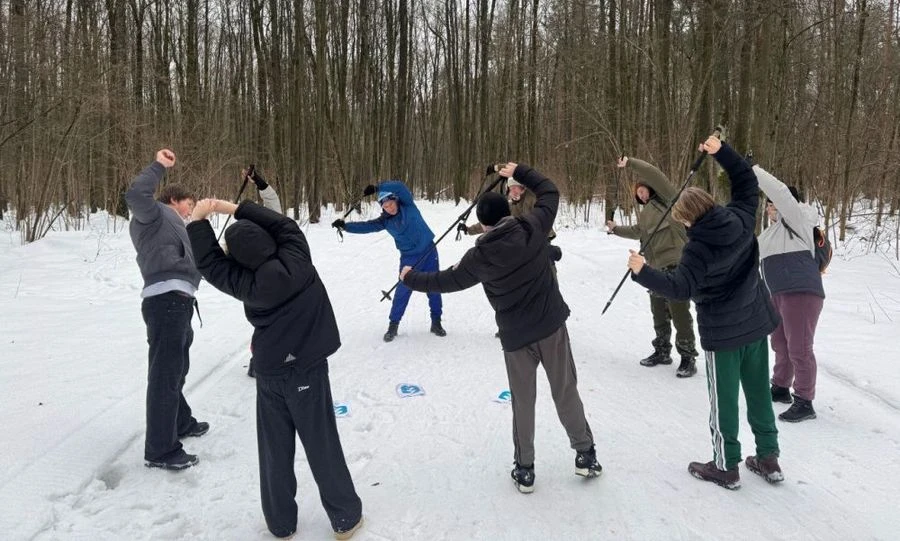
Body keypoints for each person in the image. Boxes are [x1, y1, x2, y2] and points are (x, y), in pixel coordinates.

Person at [400, 162, 602, 494]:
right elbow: (549, 190)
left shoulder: (478, 258)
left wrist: (410, 278)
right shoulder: (532, 226)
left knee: (523, 401)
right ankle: (586, 454)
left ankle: (525, 469)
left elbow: (443, 281)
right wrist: (518, 171)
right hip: (550, 328)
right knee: (565, 390)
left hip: (517, 337)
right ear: (507, 208)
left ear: (483, 222)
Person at [187, 198, 363, 540]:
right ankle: (345, 517)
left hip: (270, 372)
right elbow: (283, 225)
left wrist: (198, 220)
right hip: (308, 370)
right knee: (321, 443)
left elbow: (209, 263)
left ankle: (281, 524)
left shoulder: (247, 283)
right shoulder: (296, 253)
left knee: (274, 450)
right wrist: (231, 207)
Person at [626, 136, 783, 489]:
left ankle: (726, 466)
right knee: (758, 390)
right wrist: (722, 152)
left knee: (724, 401)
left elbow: (680, 288)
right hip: (757, 323)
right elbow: (746, 181)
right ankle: (769, 457)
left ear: (686, 220)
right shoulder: (742, 217)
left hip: (724, 335)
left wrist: (642, 272)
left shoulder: (697, 251)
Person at [125, 149, 207, 471]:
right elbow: (135, 194)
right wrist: (160, 165)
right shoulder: (155, 213)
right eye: (189, 202)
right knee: (165, 374)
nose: (190, 209)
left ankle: (181, 421)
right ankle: (160, 449)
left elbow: (188, 265)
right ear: (176, 199)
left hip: (180, 301)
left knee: (177, 368)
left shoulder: (176, 227)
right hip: (165, 301)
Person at [607, 156, 698, 377]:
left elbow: (653, 173)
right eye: (637, 191)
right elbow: (638, 231)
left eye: (643, 188)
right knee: (658, 312)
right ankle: (662, 351)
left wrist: (630, 163)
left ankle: (688, 357)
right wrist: (615, 228)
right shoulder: (646, 212)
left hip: (676, 266)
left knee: (679, 313)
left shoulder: (669, 201)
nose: (641, 192)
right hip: (654, 269)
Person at [332, 181, 446, 342]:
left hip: (429, 251)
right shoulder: (385, 221)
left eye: (391, 204)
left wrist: (378, 187)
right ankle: (393, 324)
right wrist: (345, 226)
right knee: (403, 290)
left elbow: (400, 187)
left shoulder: (408, 205)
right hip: (409, 258)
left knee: (434, 286)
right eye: (385, 207)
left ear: (396, 200)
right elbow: (366, 227)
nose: (389, 208)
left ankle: (436, 321)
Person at [754, 166, 824, 422]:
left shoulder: (799, 219)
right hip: (777, 294)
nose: (771, 208)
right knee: (780, 343)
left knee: (799, 347)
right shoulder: (767, 235)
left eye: (774, 204)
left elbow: (780, 192)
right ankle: (781, 386)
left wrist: (750, 169)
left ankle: (805, 401)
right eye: (769, 205)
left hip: (802, 292)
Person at [242, 166, 282, 378]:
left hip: (277, 281)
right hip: (259, 287)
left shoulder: (274, 224)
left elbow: (271, 198)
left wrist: (258, 181)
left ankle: (263, 361)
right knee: (267, 323)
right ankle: (257, 362)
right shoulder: (246, 236)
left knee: (272, 323)